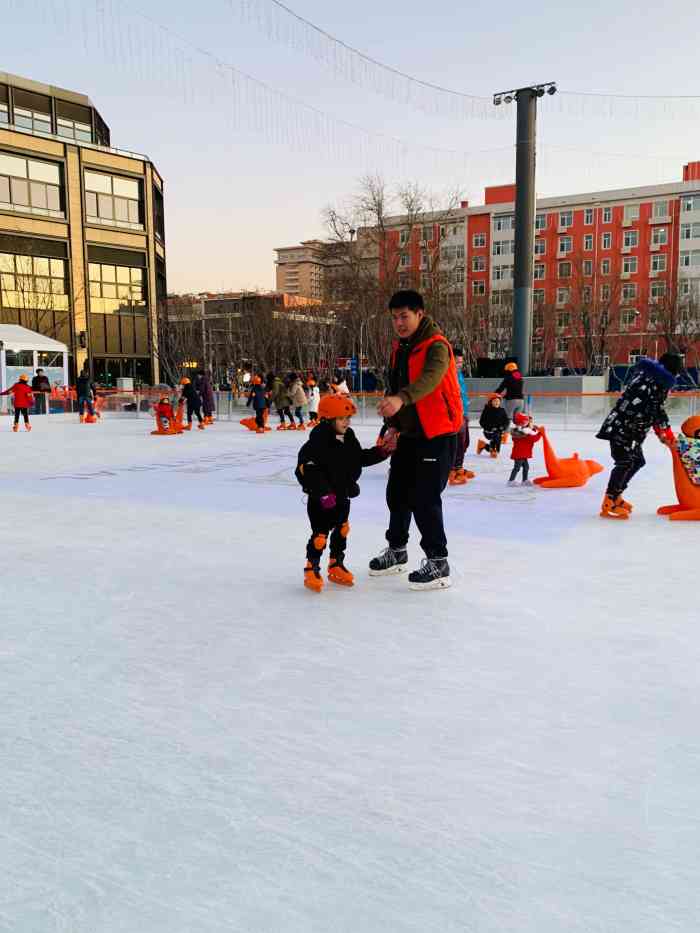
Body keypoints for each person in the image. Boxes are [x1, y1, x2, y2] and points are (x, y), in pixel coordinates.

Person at [369, 289, 462, 591]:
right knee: (397, 493)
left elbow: (430, 380)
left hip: (437, 434)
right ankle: (397, 550)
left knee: (424, 498)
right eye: (394, 317)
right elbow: (396, 384)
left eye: (404, 316)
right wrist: (392, 425)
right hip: (410, 434)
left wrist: (400, 399)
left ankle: (438, 562)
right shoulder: (401, 348)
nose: (399, 322)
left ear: (420, 314)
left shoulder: (437, 347)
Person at [295, 394, 389, 592]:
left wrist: (382, 452)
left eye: (348, 418)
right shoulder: (317, 442)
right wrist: (323, 492)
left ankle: (336, 563)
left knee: (342, 530)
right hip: (321, 500)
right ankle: (311, 567)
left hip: (342, 496)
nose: (347, 422)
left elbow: (359, 457)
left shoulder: (348, 437)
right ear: (328, 419)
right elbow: (306, 469)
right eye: (342, 418)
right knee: (320, 536)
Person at [596, 352, 681, 519]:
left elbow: (652, 410)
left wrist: (662, 434)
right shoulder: (656, 382)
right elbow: (657, 411)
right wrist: (667, 434)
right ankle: (609, 500)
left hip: (632, 431)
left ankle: (616, 495)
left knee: (637, 461)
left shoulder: (649, 378)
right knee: (625, 462)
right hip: (622, 429)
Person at [449, 347, 474, 486]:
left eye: (461, 363)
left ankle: (458, 467)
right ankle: (452, 469)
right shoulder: (448, 374)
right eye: (457, 362)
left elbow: (462, 394)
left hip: (462, 413)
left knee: (465, 442)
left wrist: (465, 413)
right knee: (456, 443)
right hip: (454, 415)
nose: (460, 365)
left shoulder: (458, 374)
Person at [508, 412, 543, 486]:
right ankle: (511, 481)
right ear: (521, 423)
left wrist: (533, 428)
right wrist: (540, 433)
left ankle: (524, 480)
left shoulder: (523, 430)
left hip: (523, 453)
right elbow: (534, 438)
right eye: (525, 422)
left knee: (526, 467)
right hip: (519, 454)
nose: (528, 423)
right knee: (517, 467)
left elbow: (530, 431)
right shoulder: (522, 433)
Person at [495, 361, 525, 436]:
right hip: (521, 400)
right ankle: (518, 431)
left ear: (509, 369)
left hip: (511, 400)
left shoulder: (508, 377)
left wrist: (495, 394)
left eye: (507, 370)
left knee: (507, 417)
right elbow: (515, 388)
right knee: (518, 418)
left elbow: (501, 388)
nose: (506, 372)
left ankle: (505, 433)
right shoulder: (520, 376)